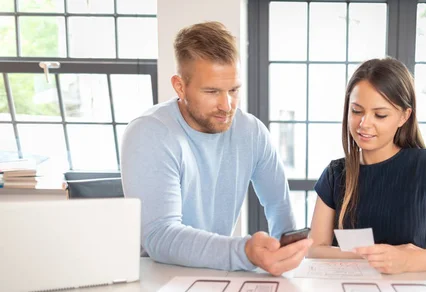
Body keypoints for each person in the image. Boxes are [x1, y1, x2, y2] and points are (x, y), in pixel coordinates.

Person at [121, 22, 311, 275]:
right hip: (157, 276)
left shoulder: (251, 131)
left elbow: (278, 206)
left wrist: (284, 255)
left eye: (234, 90)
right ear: (179, 86)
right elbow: (160, 236)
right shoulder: (149, 133)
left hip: (217, 272)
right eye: (212, 91)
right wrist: (244, 251)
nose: (227, 105)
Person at [308, 58, 426, 273]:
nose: (364, 124)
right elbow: (314, 249)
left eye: (380, 115)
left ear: (404, 117)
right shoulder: (335, 175)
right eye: (356, 111)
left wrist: (407, 261)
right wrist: (376, 255)